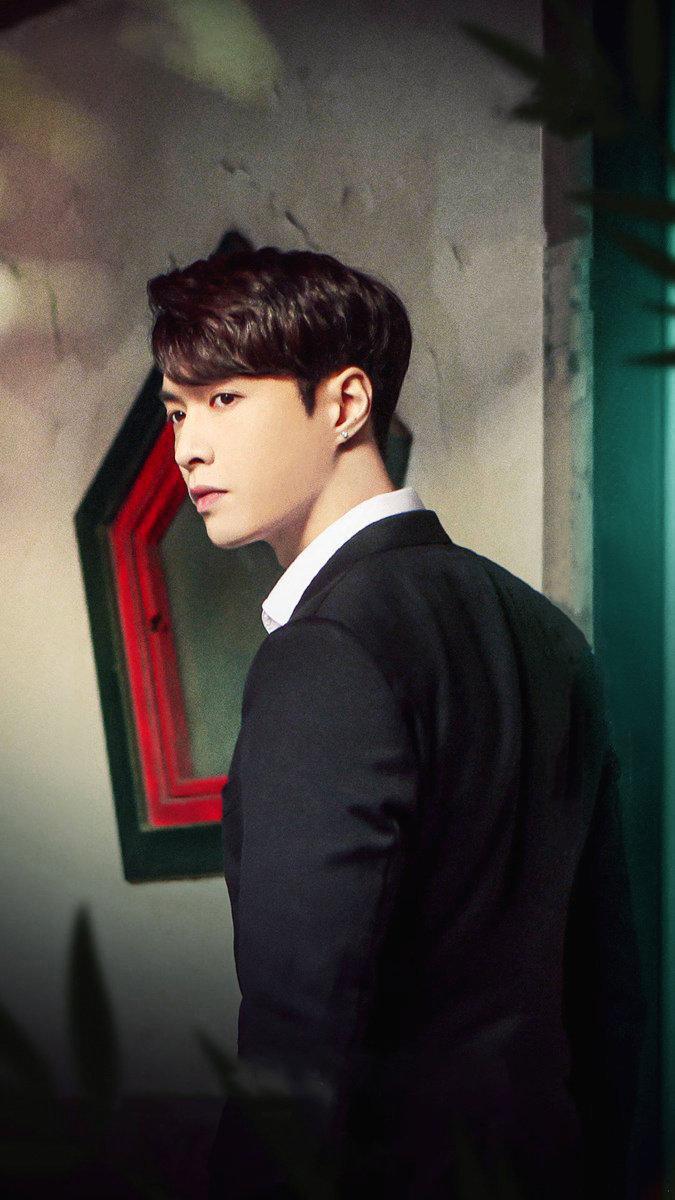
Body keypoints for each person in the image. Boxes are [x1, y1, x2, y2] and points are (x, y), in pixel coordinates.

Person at [147, 247, 644, 1199]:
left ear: (344, 403)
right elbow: (607, 1001)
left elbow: (298, 1037)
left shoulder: (327, 650)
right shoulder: (544, 631)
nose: (187, 448)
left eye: (224, 399)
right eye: (176, 411)